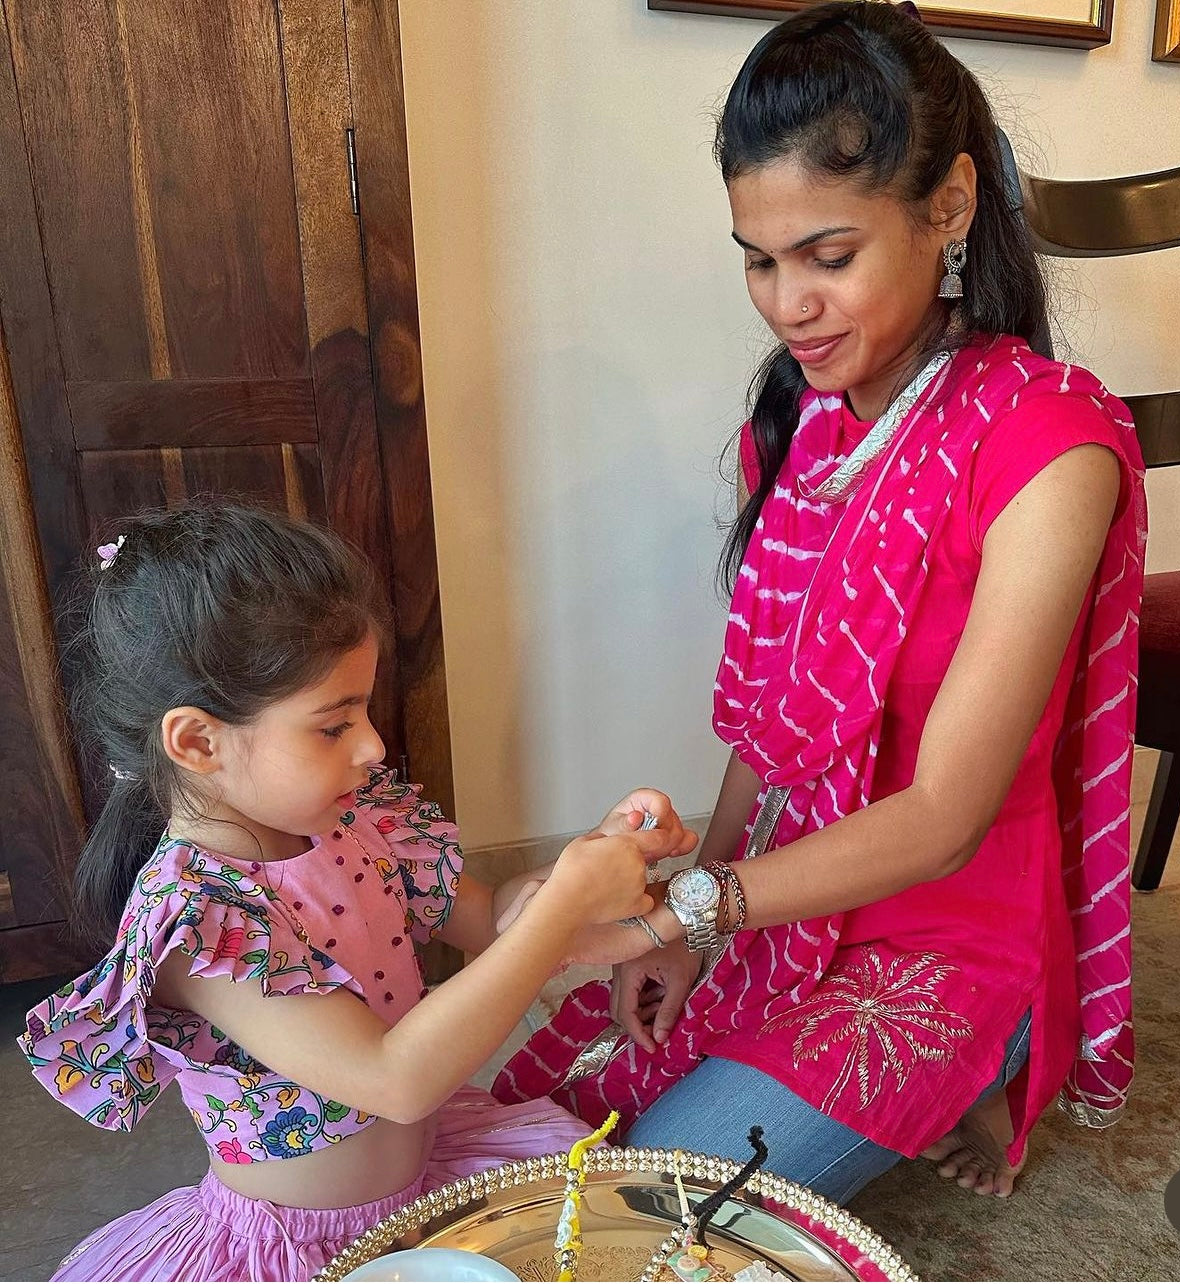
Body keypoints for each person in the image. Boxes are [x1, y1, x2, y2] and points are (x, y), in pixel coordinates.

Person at [495, 0, 1146, 1206]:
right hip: (793, 893)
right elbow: (772, 731)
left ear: (946, 208)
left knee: (644, 1208)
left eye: (827, 257)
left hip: (949, 942)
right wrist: (700, 931)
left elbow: (945, 815)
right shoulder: (796, 429)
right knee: (537, 1125)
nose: (787, 305)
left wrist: (682, 908)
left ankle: (986, 1061)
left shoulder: (1048, 449)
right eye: (758, 257)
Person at [19, 504, 697, 1282]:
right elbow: (393, 1079)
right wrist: (563, 904)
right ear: (199, 741)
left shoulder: (358, 821)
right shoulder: (199, 920)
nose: (374, 745)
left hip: (432, 1186)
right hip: (297, 1253)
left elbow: (486, 919)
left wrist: (585, 864)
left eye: (363, 711)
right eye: (333, 725)